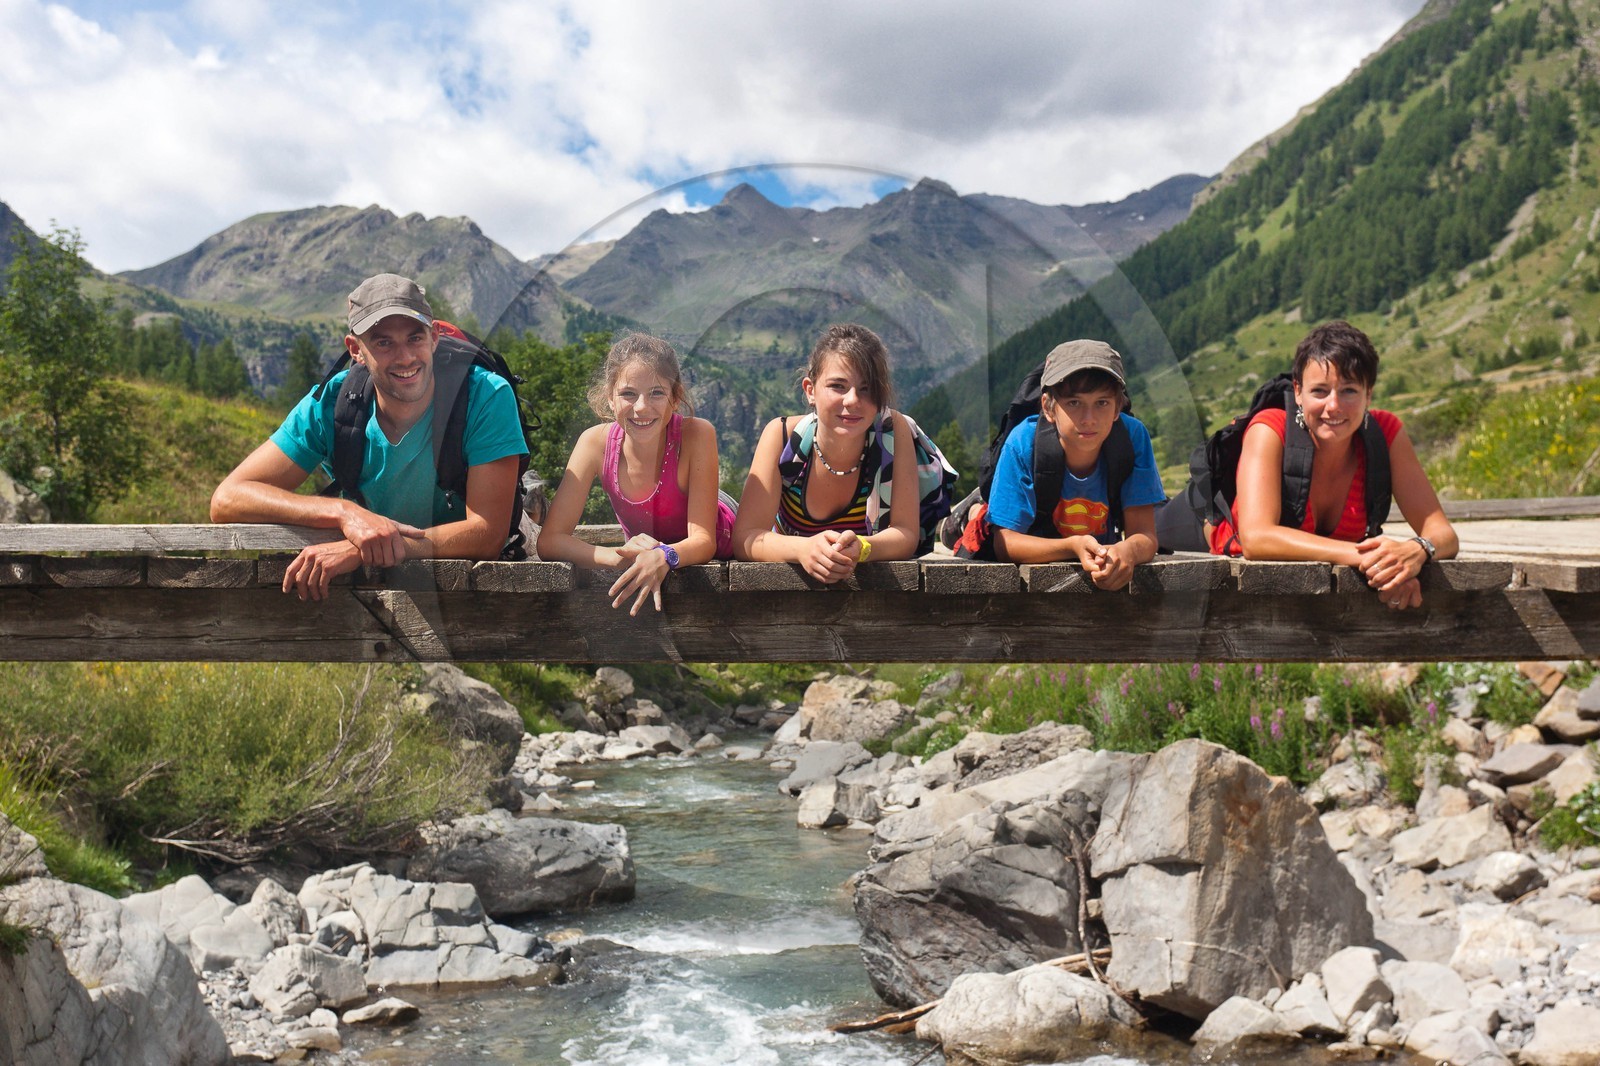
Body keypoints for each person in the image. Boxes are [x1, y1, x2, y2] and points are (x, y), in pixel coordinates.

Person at [211, 273, 528, 601]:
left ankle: (532, 502)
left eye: (415, 338)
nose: (405, 357)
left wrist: (367, 549)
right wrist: (345, 513)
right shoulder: (334, 402)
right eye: (383, 342)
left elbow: (487, 534)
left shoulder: (485, 394)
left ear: (434, 338)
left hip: (463, 577)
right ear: (355, 350)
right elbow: (227, 500)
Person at [1210, 320, 1458, 610]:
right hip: (1195, 532)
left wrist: (1416, 552)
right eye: (1320, 391)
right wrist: (1371, 558)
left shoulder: (1386, 434)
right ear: (1298, 392)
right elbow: (1257, 539)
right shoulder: (1270, 429)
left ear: (1369, 394)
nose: (1334, 406)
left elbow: (1444, 535)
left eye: (1349, 390)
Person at [536, 332, 734, 615]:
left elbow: (703, 541)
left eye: (657, 393)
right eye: (628, 393)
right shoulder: (595, 443)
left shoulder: (696, 434)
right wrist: (619, 557)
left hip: (722, 527)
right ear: (610, 399)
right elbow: (550, 541)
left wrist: (664, 555)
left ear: (675, 398)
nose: (641, 407)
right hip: (649, 554)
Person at [732, 323, 924, 583]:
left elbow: (906, 533)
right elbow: (745, 537)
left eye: (866, 388)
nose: (853, 400)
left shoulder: (893, 431)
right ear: (810, 390)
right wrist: (803, 549)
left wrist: (864, 548)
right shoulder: (781, 436)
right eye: (838, 386)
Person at [978, 340, 1163, 590]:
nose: (1089, 419)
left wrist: (1128, 551)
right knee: (976, 524)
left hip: (1087, 546)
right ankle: (967, 512)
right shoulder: (1023, 443)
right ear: (1048, 407)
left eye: (1102, 403)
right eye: (1074, 403)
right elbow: (1005, 544)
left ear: (1118, 406)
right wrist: (1072, 546)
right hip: (1037, 537)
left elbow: (1145, 535)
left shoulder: (1132, 439)